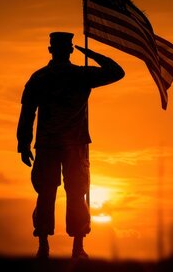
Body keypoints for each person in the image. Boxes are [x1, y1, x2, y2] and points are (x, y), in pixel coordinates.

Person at [16, 31, 124, 260]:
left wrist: (23, 143)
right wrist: (92, 54)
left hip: (54, 144)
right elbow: (117, 71)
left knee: (51, 193)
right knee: (73, 194)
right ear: (70, 50)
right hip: (67, 145)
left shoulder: (40, 77)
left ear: (50, 50)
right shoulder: (78, 75)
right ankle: (72, 246)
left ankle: (49, 245)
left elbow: (27, 114)